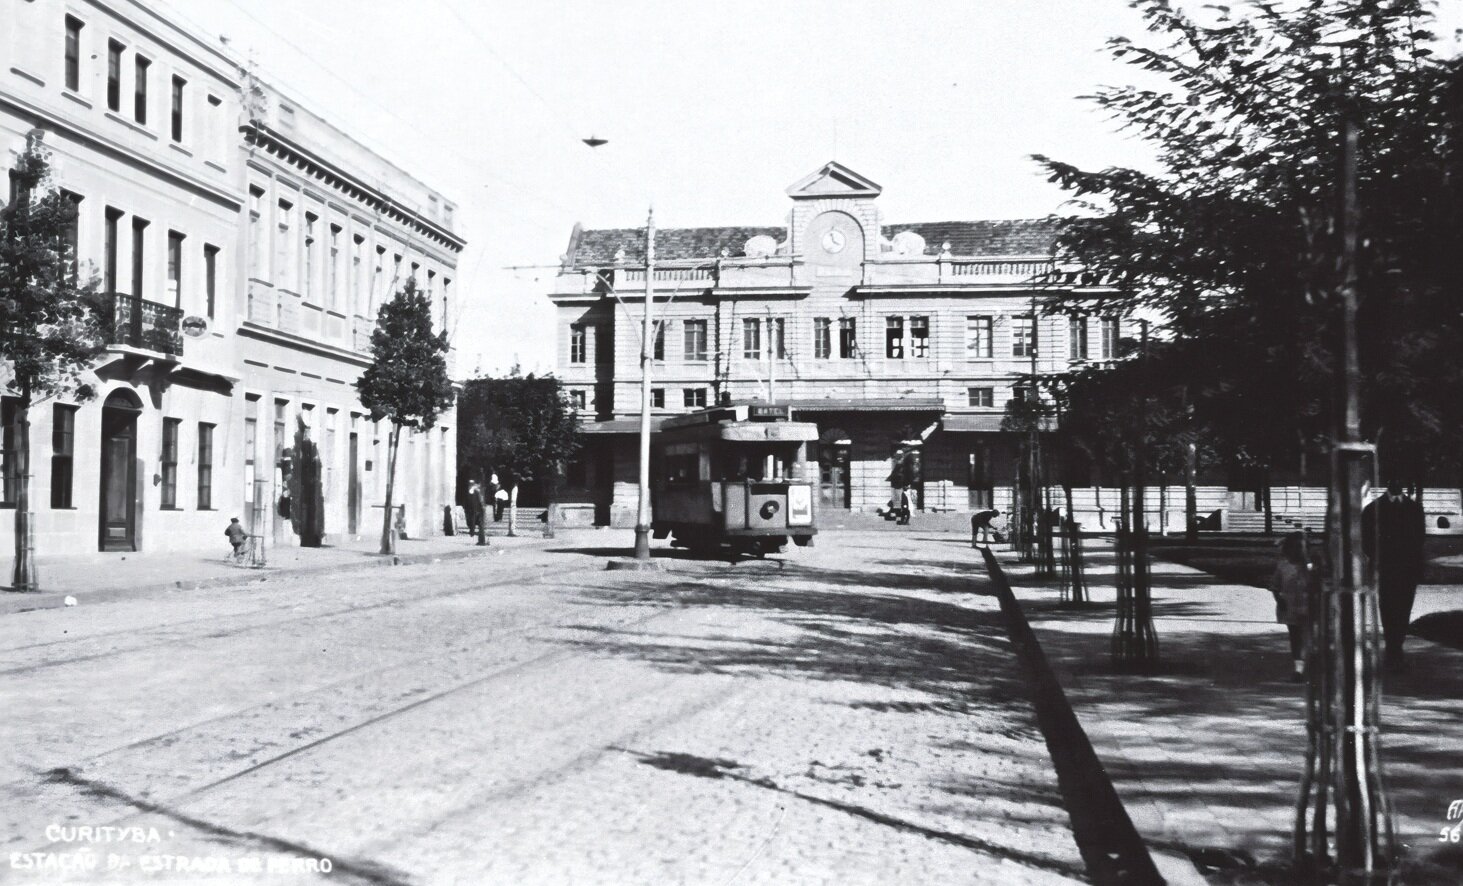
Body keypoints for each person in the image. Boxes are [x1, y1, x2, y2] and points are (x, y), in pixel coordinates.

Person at [1361, 484, 1426, 670]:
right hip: (1387, 569)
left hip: (1407, 570)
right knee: (1389, 610)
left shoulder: (1414, 508)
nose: (1396, 482)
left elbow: (1419, 538)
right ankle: (1393, 652)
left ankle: (1396, 649)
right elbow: (1367, 542)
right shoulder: (1373, 509)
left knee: (1404, 610)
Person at [1269, 532, 1312, 680]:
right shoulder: (1283, 567)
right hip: (1290, 607)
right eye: (1295, 548)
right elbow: (1275, 586)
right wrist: (1279, 600)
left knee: (1309, 637)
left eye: (1302, 548)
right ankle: (1299, 669)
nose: (1299, 551)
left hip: (1309, 607)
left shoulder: (1310, 568)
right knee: (1295, 637)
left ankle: (1310, 666)